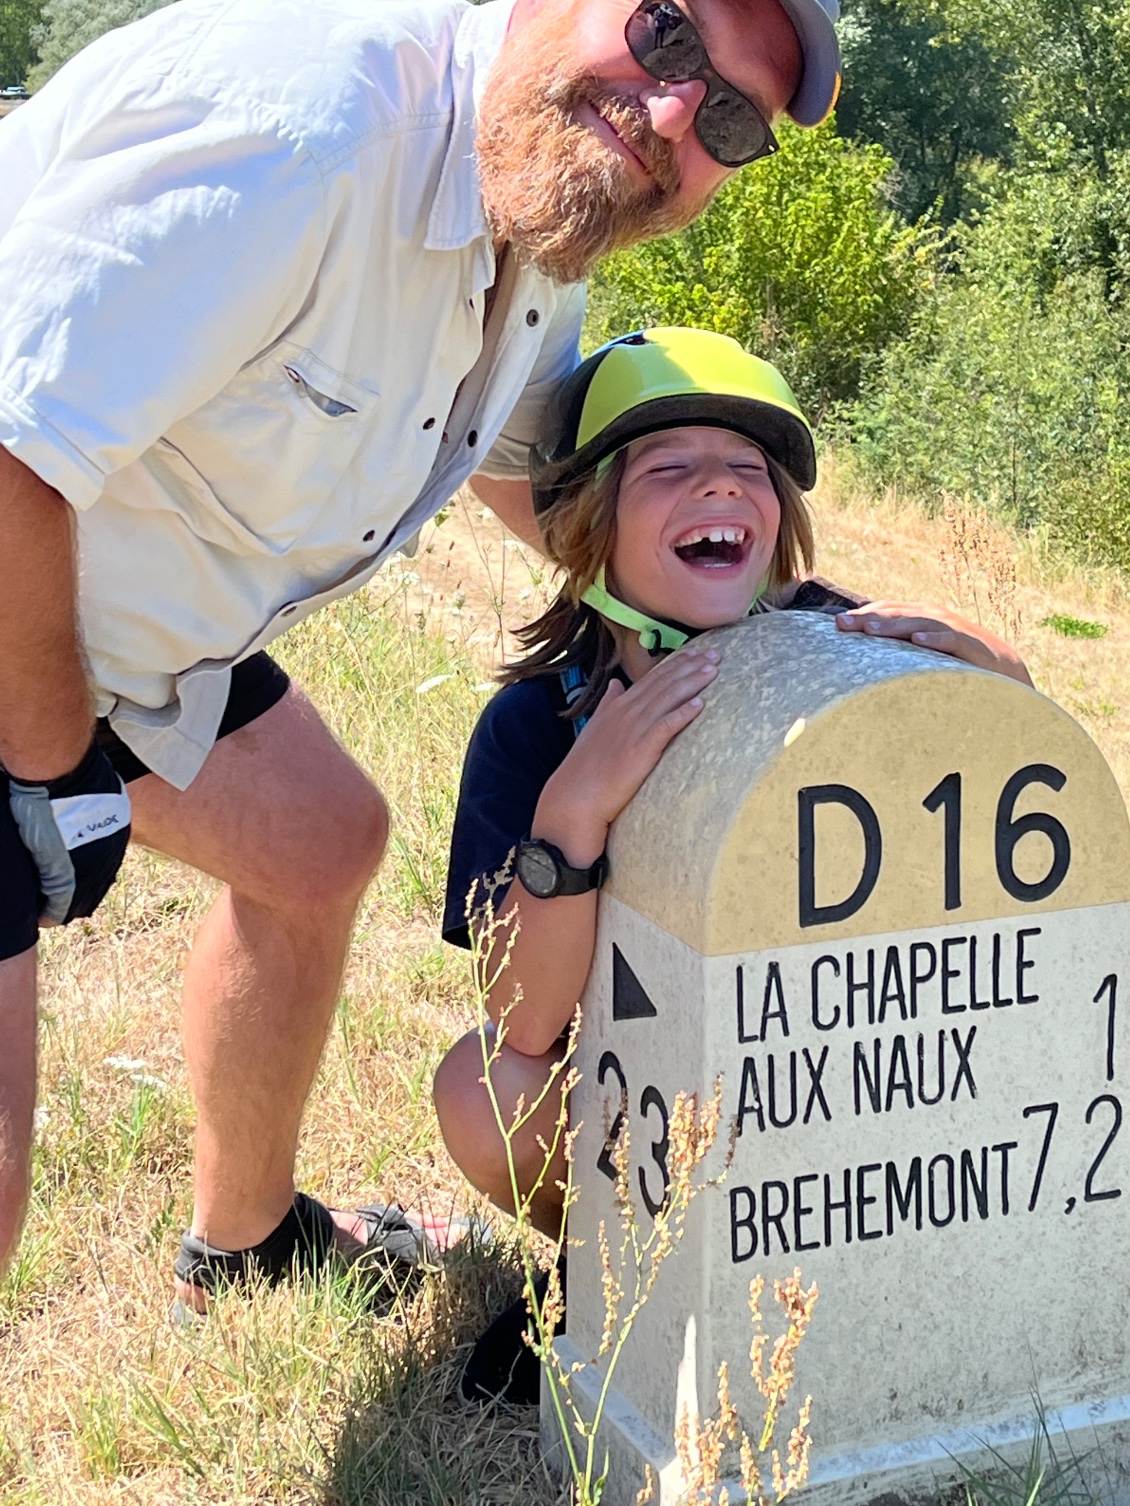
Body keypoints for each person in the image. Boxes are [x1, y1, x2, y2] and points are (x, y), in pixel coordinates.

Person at [0, 0, 845, 1308]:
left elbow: (540, 489)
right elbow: (9, 433)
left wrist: (819, 635)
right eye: (668, 31)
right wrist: (50, 769)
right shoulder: (310, 132)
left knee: (316, 839)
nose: (674, 111)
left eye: (730, 113)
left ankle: (245, 1245)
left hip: (117, 619)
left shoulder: (536, 234)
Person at [432, 325, 1032, 1400]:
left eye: (745, 469)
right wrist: (574, 811)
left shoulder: (853, 651)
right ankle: (610, 1265)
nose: (717, 486)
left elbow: (999, 878)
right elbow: (522, 1027)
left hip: (841, 1068)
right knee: (483, 1096)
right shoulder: (533, 725)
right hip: (658, 1094)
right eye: (667, 468)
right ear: (586, 520)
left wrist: (1002, 696)